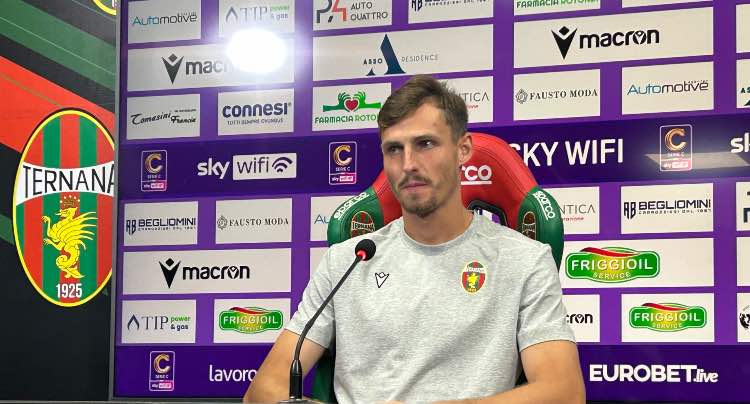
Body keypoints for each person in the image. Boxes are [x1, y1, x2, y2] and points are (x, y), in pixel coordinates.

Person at [244, 75, 585, 404]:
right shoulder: (346, 261)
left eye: (425, 144)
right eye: (394, 149)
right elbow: (263, 391)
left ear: (463, 149)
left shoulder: (524, 260)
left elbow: (564, 393)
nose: (408, 164)